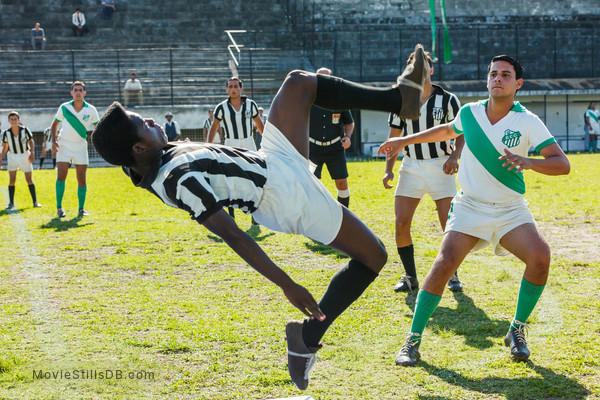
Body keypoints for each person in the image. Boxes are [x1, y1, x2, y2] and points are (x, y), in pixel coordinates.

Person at [91, 43, 428, 391]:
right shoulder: (177, 180)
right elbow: (234, 235)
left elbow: (137, 160)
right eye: (142, 124)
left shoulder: (153, 156)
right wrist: (287, 284)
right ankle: (306, 337)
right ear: (137, 148)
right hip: (282, 197)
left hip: (272, 161)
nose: (150, 120)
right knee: (374, 255)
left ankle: (399, 99)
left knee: (298, 83)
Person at [379, 55, 570, 366]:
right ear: (487, 80)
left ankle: (517, 329)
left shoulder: (528, 122)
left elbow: (562, 164)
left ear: (518, 84)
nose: (498, 78)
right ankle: (412, 340)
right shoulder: (470, 112)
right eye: (493, 73)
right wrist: (403, 141)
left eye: (506, 75)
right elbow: (444, 131)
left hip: (510, 209)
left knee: (540, 257)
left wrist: (530, 162)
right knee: (443, 265)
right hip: (470, 206)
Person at [383, 50, 465, 293]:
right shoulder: (402, 100)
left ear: (431, 69)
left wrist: (453, 156)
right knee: (401, 224)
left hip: (441, 165)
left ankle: (452, 274)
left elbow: (461, 132)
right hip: (411, 167)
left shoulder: (448, 99)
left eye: (424, 66)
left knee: (449, 225)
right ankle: (410, 277)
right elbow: (394, 138)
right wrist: (388, 169)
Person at [207, 77, 265, 219]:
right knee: (230, 178)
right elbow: (214, 126)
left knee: (253, 177)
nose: (233, 89)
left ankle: (254, 215)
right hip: (230, 144)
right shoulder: (221, 107)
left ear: (241, 89)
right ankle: (231, 214)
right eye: (230, 87)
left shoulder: (251, 105)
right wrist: (208, 145)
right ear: (226, 90)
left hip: (248, 143)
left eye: (236, 86)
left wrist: (266, 142)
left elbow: (259, 125)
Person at [51, 81, 99, 218]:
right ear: (71, 93)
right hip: (64, 145)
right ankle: (59, 208)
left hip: (80, 146)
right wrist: (54, 142)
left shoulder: (91, 110)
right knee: (61, 176)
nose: (78, 92)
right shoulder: (64, 107)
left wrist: (100, 144)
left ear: (84, 93)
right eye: (75, 90)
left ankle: (81, 209)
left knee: (81, 179)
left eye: (80, 90)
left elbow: (97, 128)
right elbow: (54, 125)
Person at [309, 67, 355, 208]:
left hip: (336, 148)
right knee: (312, 184)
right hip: (312, 149)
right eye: (320, 78)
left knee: (342, 182)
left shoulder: (340, 100)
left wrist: (347, 137)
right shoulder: (307, 99)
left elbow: (349, 122)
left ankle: (344, 215)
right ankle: (315, 214)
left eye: (327, 78)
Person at [0, 111, 42, 209]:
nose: (14, 121)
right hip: (12, 156)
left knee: (29, 179)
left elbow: (31, 141)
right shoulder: (6, 133)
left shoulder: (25, 130)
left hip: (25, 155)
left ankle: (35, 201)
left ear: (19, 120)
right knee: (12, 180)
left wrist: (32, 153)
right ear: (8, 121)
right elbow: (5, 146)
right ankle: (11, 203)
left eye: (15, 119)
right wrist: (1, 158)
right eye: (12, 119)